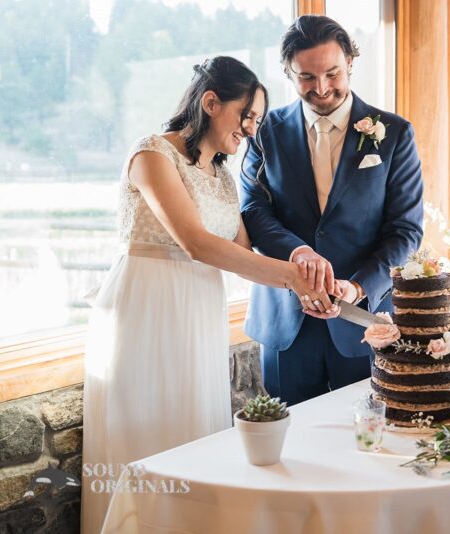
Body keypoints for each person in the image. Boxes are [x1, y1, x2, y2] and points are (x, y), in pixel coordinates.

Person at [81, 57, 327, 534]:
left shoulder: (222, 175)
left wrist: (305, 288)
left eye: (256, 121)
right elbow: (195, 243)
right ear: (211, 103)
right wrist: (292, 276)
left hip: (198, 312)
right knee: (146, 428)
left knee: (191, 429)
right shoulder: (152, 155)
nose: (251, 131)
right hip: (146, 308)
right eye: (246, 117)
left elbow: (240, 252)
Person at [241, 15, 424, 405]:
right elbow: (253, 211)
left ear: (351, 64)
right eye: (306, 77)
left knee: (367, 438)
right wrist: (298, 258)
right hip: (285, 319)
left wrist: (359, 287)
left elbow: (405, 230)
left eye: (332, 73)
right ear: (289, 73)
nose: (321, 88)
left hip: (362, 321)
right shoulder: (266, 131)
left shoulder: (394, 133)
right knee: (288, 447)